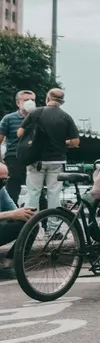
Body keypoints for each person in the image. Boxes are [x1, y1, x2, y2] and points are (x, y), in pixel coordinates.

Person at [17, 89, 80, 217]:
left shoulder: (36, 112)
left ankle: (30, 226)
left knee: (33, 193)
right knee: (54, 194)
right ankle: (53, 229)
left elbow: (20, 133)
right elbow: (75, 141)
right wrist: (64, 142)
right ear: (62, 102)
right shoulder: (66, 117)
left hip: (35, 159)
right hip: (57, 160)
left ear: (47, 98)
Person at [0, 162, 36, 279]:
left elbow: (14, 211)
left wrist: (23, 213)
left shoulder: (1, 191)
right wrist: (12, 214)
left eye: (5, 179)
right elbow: (12, 213)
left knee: (31, 224)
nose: (3, 182)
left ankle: (10, 264)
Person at [0, 90, 36, 203]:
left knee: (37, 191)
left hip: (34, 159)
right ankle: (12, 218)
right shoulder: (9, 119)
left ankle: (40, 218)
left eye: (32, 100)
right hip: (13, 159)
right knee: (12, 191)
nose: (30, 102)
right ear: (18, 103)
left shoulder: (39, 118)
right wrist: (2, 162)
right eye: (25, 100)